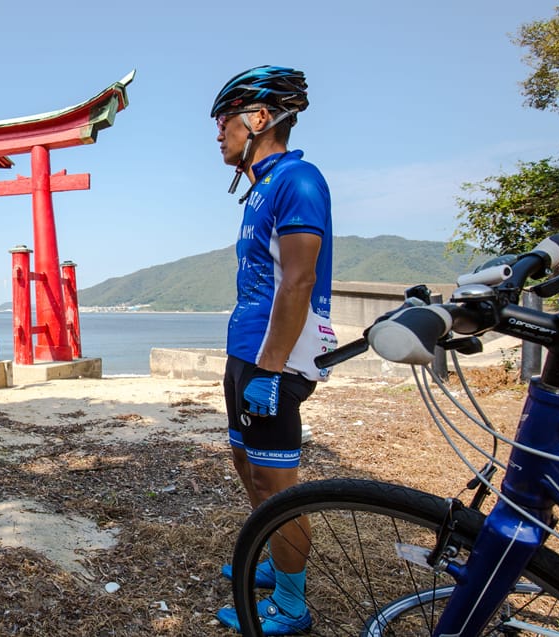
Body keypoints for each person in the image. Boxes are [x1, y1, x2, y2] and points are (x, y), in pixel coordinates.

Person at [211, 66, 336, 635]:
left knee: (276, 486)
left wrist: (268, 369)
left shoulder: (298, 179)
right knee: (248, 467)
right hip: (247, 352)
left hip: (275, 361)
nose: (218, 134)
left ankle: (291, 604)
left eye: (223, 122)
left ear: (258, 120)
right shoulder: (259, 186)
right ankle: (273, 557)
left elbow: (298, 281)